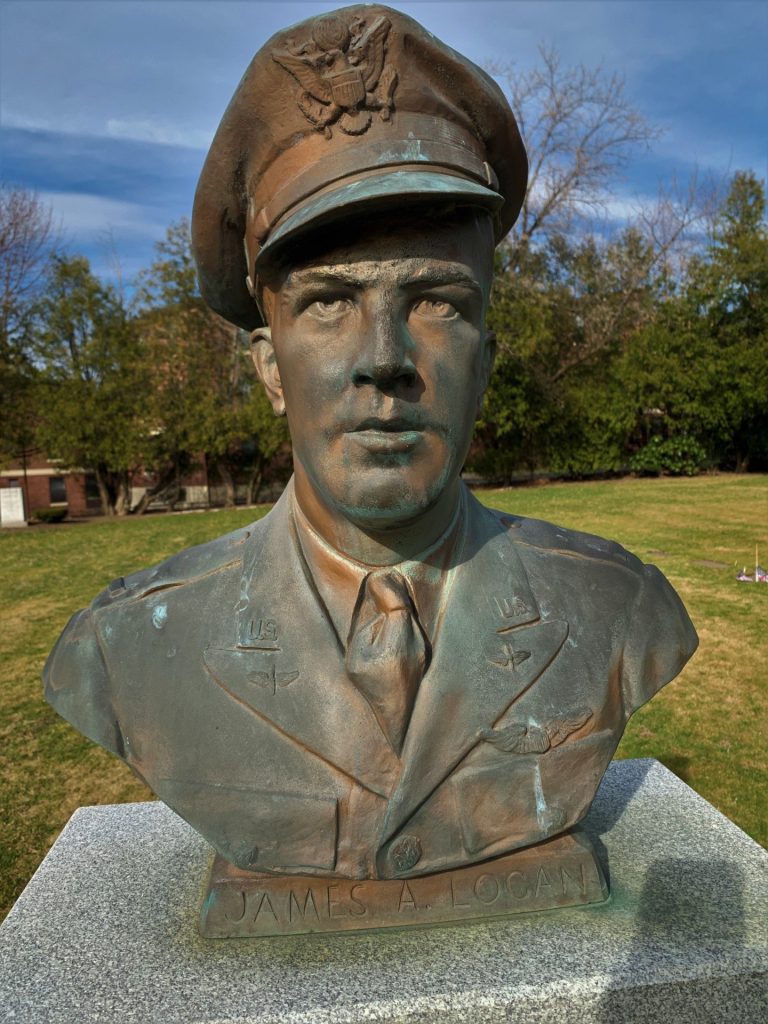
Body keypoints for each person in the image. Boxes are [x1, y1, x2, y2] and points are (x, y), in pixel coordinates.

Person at [44, 5, 697, 882]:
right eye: (327, 302)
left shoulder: (621, 612)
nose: (384, 362)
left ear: (487, 358)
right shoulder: (124, 650)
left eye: (437, 301)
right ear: (271, 367)